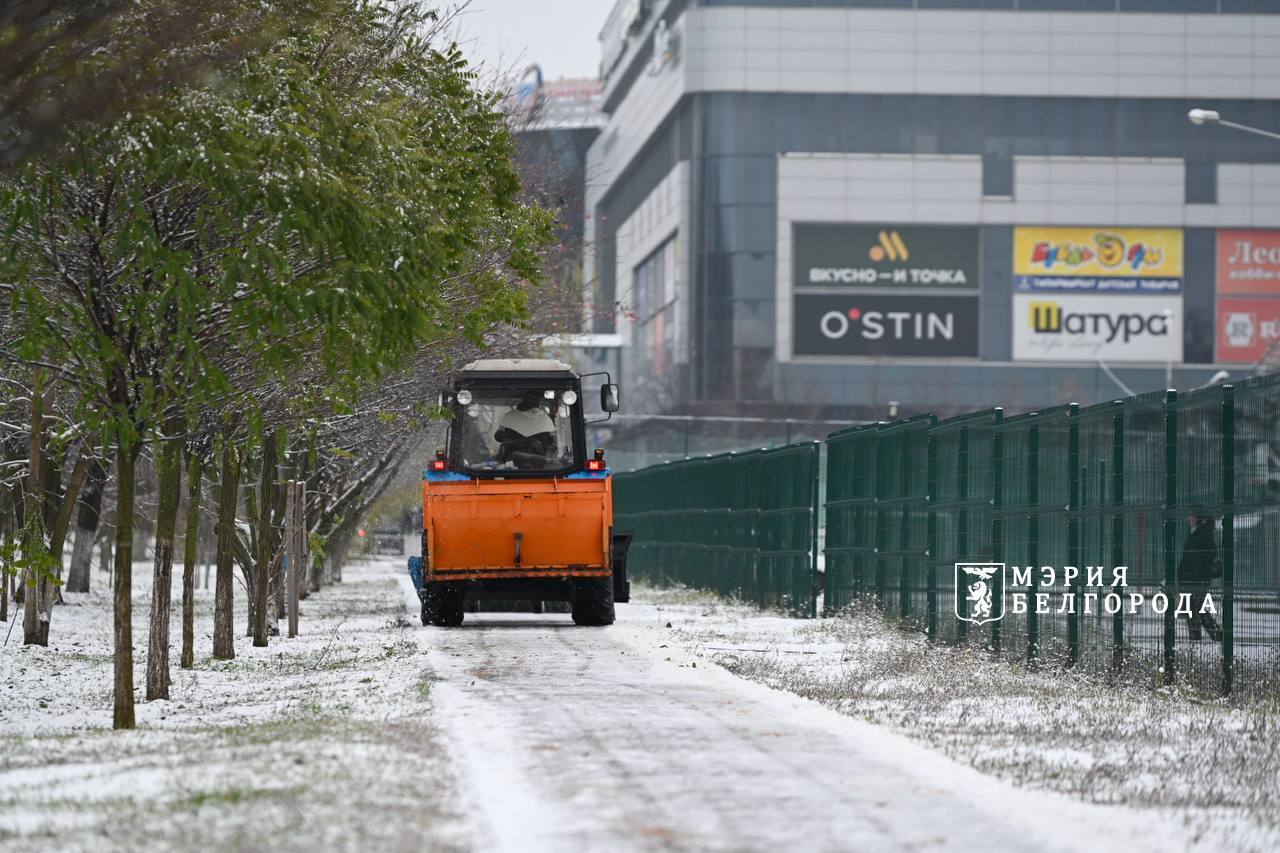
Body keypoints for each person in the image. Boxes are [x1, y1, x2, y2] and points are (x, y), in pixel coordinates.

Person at [1176, 507, 1222, 642]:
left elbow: (1210, 553)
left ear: (1197, 518)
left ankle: (1202, 634)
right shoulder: (1195, 532)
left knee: (1195, 607)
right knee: (1195, 607)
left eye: (1191, 515)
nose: (1189, 519)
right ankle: (1212, 632)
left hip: (1197, 578)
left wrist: (1198, 568)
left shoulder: (1203, 533)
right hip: (1191, 578)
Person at [494, 392, 556, 468]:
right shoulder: (545, 419)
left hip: (512, 464)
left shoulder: (510, 417)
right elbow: (552, 442)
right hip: (536, 465)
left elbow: (498, 436)